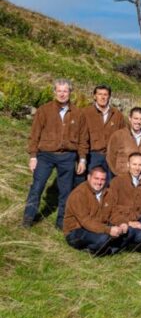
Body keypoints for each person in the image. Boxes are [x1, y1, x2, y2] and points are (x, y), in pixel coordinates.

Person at [24, 78, 89, 229]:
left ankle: (61, 222)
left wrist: (82, 159)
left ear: (70, 92)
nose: (62, 94)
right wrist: (33, 156)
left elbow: (83, 139)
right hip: (45, 156)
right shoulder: (44, 110)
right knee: (37, 186)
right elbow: (35, 134)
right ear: (54, 92)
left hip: (68, 157)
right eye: (59, 91)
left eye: (65, 91)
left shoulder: (79, 113)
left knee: (66, 191)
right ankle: (28, 218)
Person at [62, 166, 125, 255]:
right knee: (104, 238)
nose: (99, 182)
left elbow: (114, 212)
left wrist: (122, 223)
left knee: (129, 233)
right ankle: (93, 250)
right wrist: (108, 229)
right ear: (88, 177)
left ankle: (107, 249)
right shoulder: (79, 194)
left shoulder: (108, 193)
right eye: (96, 178)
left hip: (98, 226)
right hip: (76, 231)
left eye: (102, 179)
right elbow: (85, 221)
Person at [78, 84, 126, 183]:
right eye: (100, 94)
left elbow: (123, 137)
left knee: (109, 184)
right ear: (95, 96)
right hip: (92, 155)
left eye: (105, 94)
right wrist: (82, 157)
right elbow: (80, 136)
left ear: (109, 96)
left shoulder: (117, 115)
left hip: (111, 156)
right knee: (92, 183)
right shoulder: (85, 113)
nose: (103, 97)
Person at [106, 107, 141, 178]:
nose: (138, 122)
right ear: (130, 118)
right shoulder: (118, 135)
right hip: (122, 177)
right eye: (136, 118)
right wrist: (117, 174)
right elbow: (111, 157)